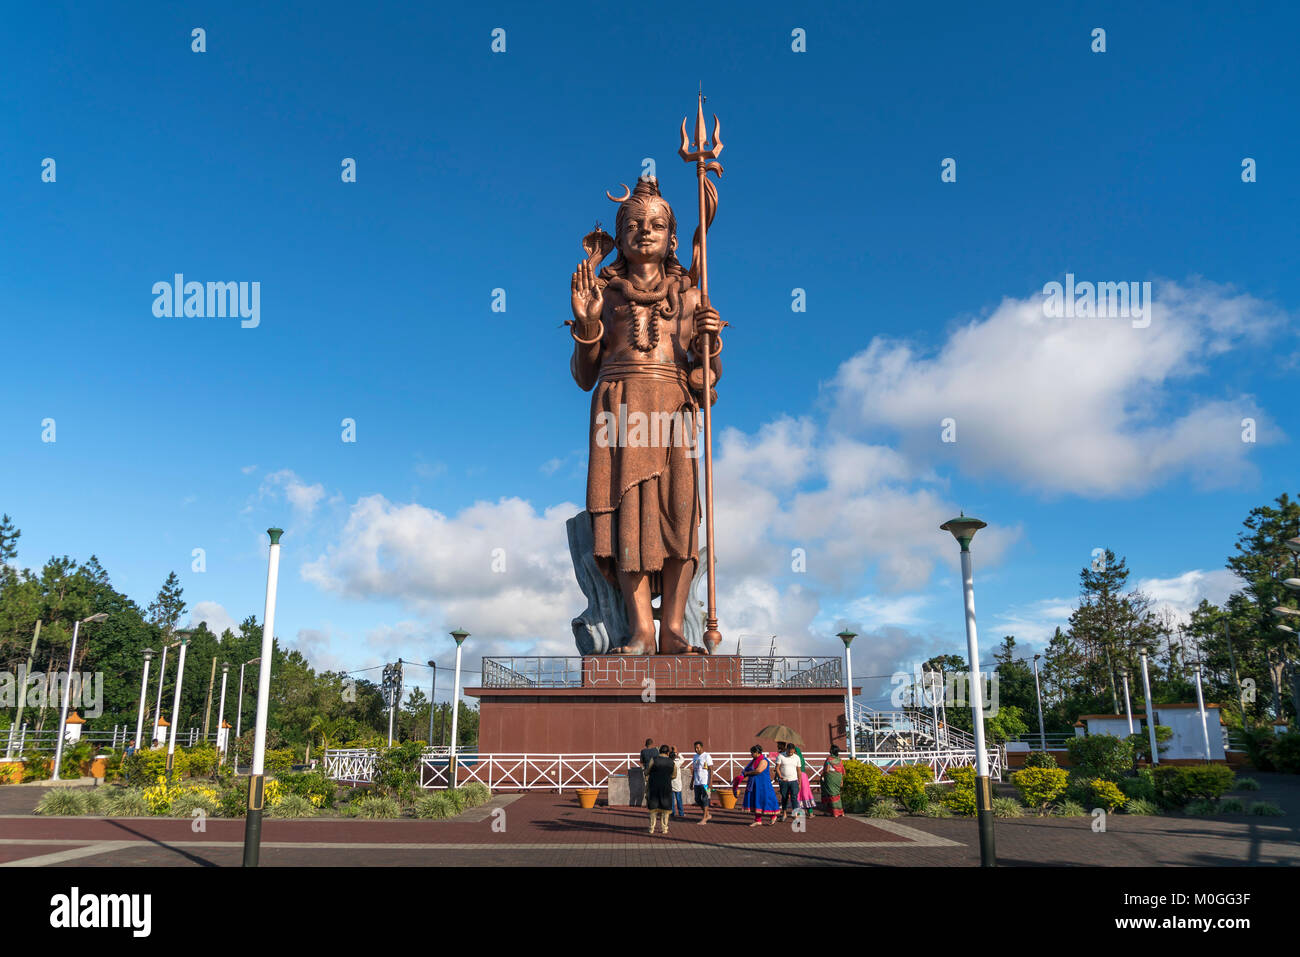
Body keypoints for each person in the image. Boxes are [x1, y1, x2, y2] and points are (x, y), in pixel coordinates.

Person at [569, 177, 724, 654]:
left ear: (673, 239)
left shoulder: (694, 297)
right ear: (621, 235)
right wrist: (588, 323)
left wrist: (709, 343)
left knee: (680, 518)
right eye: (633, 224)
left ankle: (674, 629)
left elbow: (709, 383)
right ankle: (640, 630)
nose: (645, 231)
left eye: (657, 224)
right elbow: (583, 375)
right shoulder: (605, 293)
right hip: (619, 407)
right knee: (628, 520)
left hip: (673, 411)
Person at [741, 745, 780, 826]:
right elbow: (747, 769)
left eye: (752, 753)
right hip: (754, 784)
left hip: (763, 785)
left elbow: (758, 771)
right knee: (756, 800)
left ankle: (773, 816)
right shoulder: (753, 761)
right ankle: (758, 820)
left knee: (766, 800)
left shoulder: (763, 761)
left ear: (758, 753)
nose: (751, 754)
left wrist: (747, 773)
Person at [647, 744, 677, 835]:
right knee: (665, 809)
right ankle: (665, 829)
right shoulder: (672, 762)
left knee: (653, 808)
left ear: (659, 751)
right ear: (667, 752)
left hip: (654, 786)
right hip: (666, 787)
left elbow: (648, 770)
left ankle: (651, 828)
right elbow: (674, 775)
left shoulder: (653, 760)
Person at [774, 742, 802, 823]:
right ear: (786, 749)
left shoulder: (796, 757)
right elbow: (777, 768)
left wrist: (799, 782)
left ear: (794, 750)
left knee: (794, 798)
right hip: (784, 781)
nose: (791, 753)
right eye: (789, 751)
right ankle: (784, 814)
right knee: (784, 797)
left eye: (792, 752)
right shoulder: (781, 756)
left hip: (794, 780)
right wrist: (780, 776)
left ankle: (795, 815)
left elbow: (799, 770)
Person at [691, 740, 713, 824]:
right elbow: (694, 770)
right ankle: (707, 814)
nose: (696, 749)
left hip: (705, 782)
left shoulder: (707, 756)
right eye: (695, 748)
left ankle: (704, 818)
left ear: (701, 747)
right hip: (697, 782)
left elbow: (711, 769)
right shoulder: (695, 756)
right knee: (697, 799)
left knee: (705, 798)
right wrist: (691, 781)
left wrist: (710, 782)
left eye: (698, 748)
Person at [821, 745, 845, 818]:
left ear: (831, 751)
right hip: (838, 777)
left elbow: (827, 770)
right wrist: (841, 780)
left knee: (832, 794)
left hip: (831, 778)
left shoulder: (829, 759)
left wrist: (822, 776)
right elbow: (842, 771)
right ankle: (841, 812)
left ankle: (835, 813)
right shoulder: (839, 760)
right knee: (837, 793)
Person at [670, 745, 687, 818]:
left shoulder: (668, 763)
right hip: (678, 784)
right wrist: (677, 752)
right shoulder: (677, 763)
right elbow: (683, 759)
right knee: (679, 799)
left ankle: (672, 813)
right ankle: (681, 813)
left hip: (670, 784)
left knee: (672, 800)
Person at [639, 737, 657, 805]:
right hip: (655, 771)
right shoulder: (656, 750)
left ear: (645, 744)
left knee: (647, 786)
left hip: (647, 771)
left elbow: (641, 761)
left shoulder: (643, 751)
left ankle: (648, 801)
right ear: (652, 744)